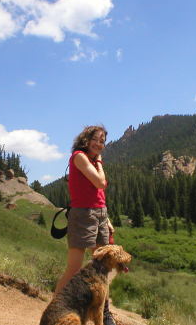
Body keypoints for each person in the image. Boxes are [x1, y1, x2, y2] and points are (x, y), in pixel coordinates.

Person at [54, 125, 116, 325]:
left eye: (102, 141)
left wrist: (106, 219)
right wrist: (98, 161)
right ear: (86, 139)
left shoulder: (92, 159)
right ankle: (55, 311)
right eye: (96, 139)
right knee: (74, 268)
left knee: (103, 268)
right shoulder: (80, 157)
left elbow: (99, 194)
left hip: (99, 214)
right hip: (82, 215)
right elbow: (99, 182)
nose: (99, 144)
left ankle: (104, 314)